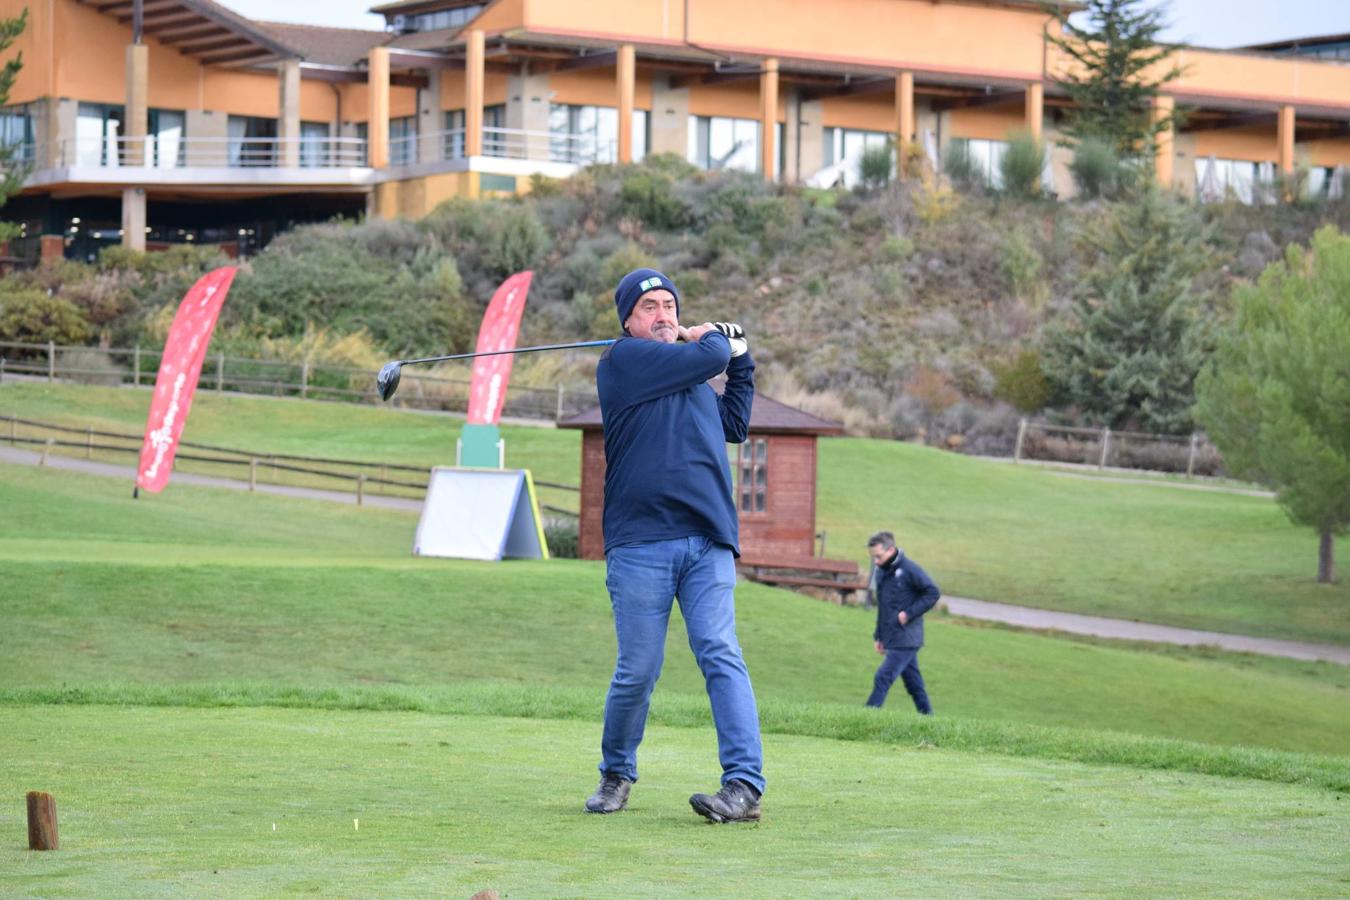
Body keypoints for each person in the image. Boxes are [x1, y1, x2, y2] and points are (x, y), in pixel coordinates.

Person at [583, 266, 764, 824]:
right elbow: (710, 358)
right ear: (628, 323)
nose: (663, 315)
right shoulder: (623, 363)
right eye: (650, 309)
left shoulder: (689, 377)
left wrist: (744, 359)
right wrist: (714, 340)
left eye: (670, 306)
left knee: (720, 652)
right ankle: (617, 772)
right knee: (639, 668)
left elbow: (734, 419)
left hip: (707, 539)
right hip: (641, 542)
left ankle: (743, 787)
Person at [865, 531, 939, 714]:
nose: (875, 561)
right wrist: (879, 636)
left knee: (883, 677)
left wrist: (908, 613)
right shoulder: (881, 572)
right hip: (892, 636)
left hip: (907, 637)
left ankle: (866, 716)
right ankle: (928, 718)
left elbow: (932, 593)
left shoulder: (910, 569)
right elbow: (883, 608)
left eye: (878, 556)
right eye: (873, 557)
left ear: (890, 550)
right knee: (914, 684)